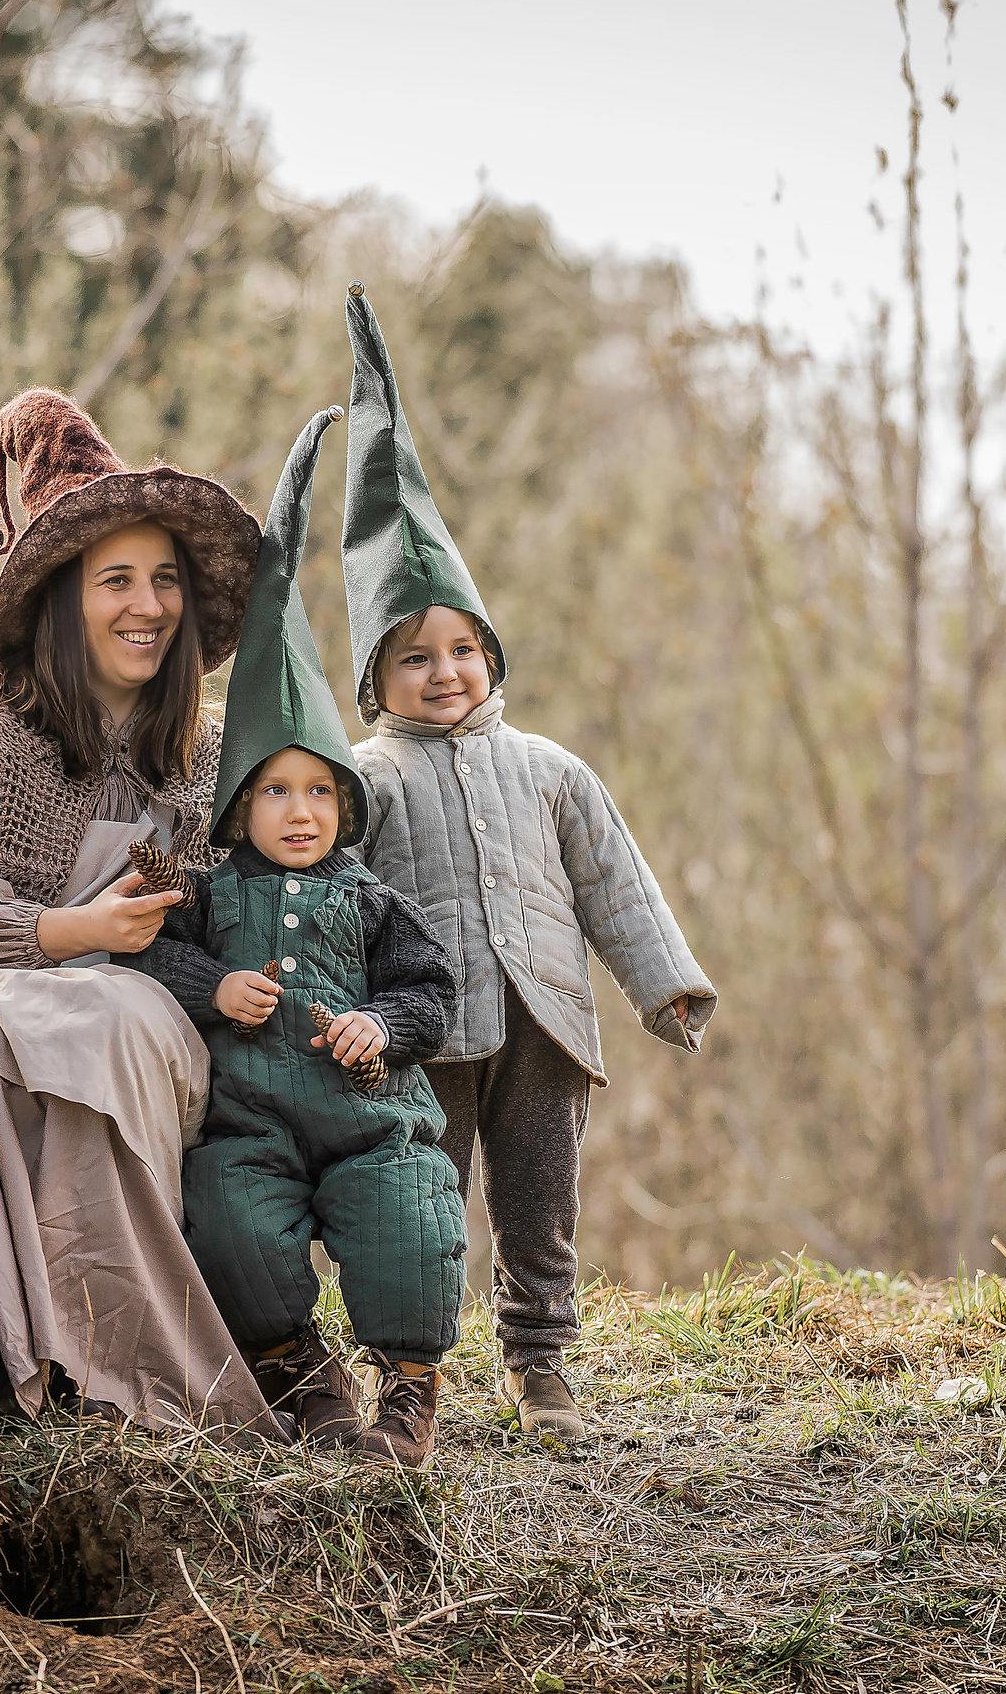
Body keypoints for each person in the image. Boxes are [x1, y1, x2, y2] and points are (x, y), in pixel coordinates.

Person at [0, 387, 284, 1439]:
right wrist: (62, 934)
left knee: (111, 1019)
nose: (147, 605)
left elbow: (253, 907)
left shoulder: (210, 756)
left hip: (143, 1017)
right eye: (115, 580)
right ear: (59, 599)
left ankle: (113, 1357)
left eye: (164, 580)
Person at [337, 287, 719, 1443]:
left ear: (491, 657)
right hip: (424, 1032)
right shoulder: (362, 779)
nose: (444, 672)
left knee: (540, 1201)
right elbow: (327, 901)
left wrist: (663, 983)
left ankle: (540, 1365)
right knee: (421, 1204)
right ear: (375, 679)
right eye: (414, 658)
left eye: (463, 649)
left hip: (545, 1021)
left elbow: (615, 883)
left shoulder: (550, 769)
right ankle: (408, 1372)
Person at [127, 407, 465, 1467]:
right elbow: (146, 952)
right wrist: (212, 988)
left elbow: (430, 988)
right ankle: (298, 1373)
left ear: (345, 803)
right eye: (275, 791)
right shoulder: (204, 889)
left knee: (410, 1211)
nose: (301, 810)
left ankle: (405, 1392)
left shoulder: (369, 897)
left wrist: (381, 1025)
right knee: (227, 1216)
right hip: (251, 1123)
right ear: (238, 806)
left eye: (321, 790)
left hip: (368, 1118)